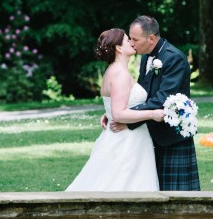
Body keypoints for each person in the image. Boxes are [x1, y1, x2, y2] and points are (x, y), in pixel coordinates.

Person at [106, 16, 200, 191]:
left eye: (135, 39)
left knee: (176, 197)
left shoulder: (174, 59)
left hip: (171, 137)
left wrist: (127, 116)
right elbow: (142, 95)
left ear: (151, 39)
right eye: (130, 39)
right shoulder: (145, 57)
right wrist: (118, 110)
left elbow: (162, 99)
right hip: (151, 135)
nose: (132, 43)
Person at [66, 28, 164, 192]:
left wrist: (109, 113)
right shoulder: (120, 74)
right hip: (127, 140)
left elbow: (117, 106)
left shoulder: (113, 70)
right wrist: (152, 114)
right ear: (118, 48)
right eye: (127, 40)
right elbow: (118, 114)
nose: (132, 43)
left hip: (124, 136)